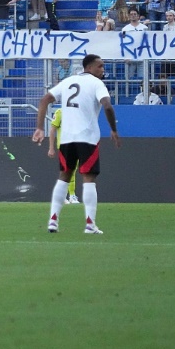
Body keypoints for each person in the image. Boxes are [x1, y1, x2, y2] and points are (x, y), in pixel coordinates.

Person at [33, 54, 120, 235]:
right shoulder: (97, 84)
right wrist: (113, 129)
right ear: (89, 67)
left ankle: (53, 221)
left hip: (66, 139)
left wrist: (40, 128)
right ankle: (90, 224)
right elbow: (108, 106)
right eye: (100, 67)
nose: (103, 70)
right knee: (89, 179)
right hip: (87, 138)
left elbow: (44, 101)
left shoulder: (68, 81)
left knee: (63, 176)